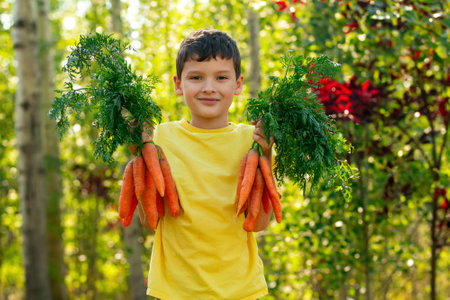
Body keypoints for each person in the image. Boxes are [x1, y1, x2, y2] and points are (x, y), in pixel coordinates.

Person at [145, 28, 273, 300]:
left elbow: (260, 222)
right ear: (178, 84)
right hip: (174, 292)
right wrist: (141, 156)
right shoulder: (162, 137)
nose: (209, 87)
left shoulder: (251, 140)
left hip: (240, 291)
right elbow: (149, 220)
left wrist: (266, 159)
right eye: (196, 77)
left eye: (221, 77)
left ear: (237, 85)